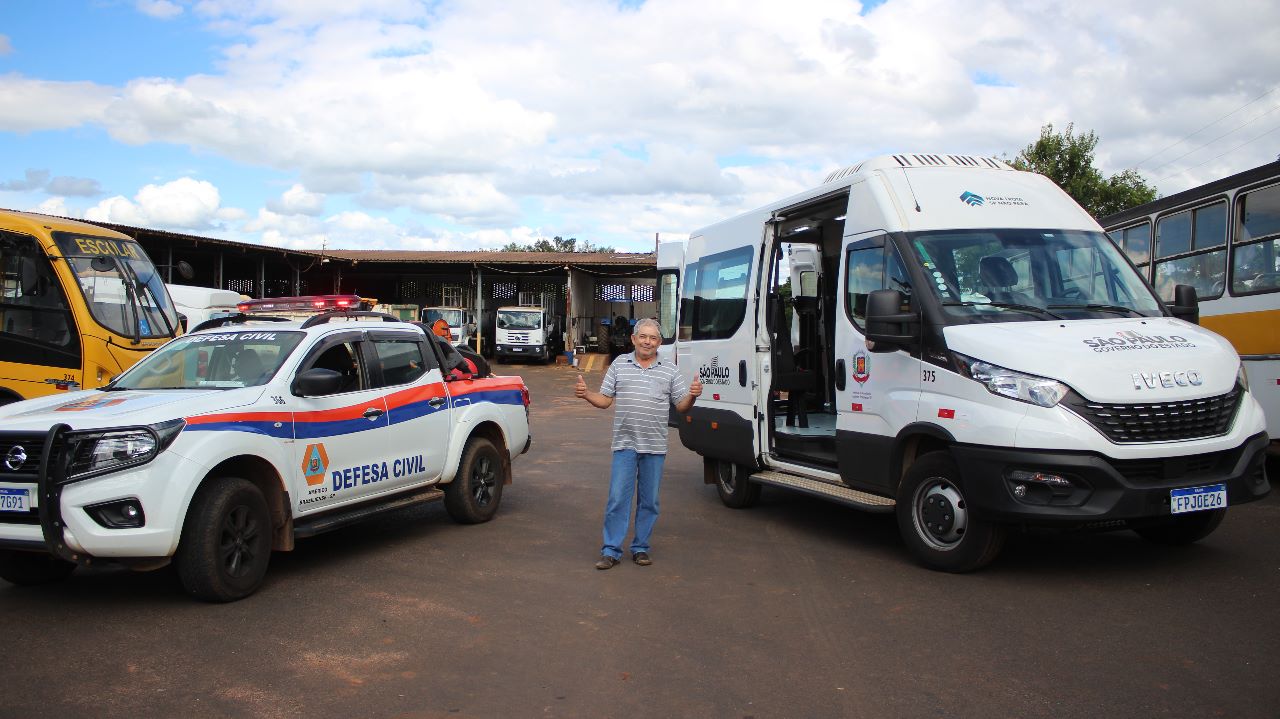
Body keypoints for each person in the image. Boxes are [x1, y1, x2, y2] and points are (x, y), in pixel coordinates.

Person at [574, 317, 702, 570]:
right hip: (625, 444)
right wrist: (587, 394)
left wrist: (692, 396)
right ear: (633, 339)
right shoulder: (620, 364)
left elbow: (681, 406)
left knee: (649, 501)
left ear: (660, 343)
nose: (647, 341)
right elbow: (605, 400)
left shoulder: (670, 370)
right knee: (617, 498)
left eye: (653, 338)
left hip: (654, 446)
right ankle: (611, 550)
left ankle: (641, 547)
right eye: (643, 336)